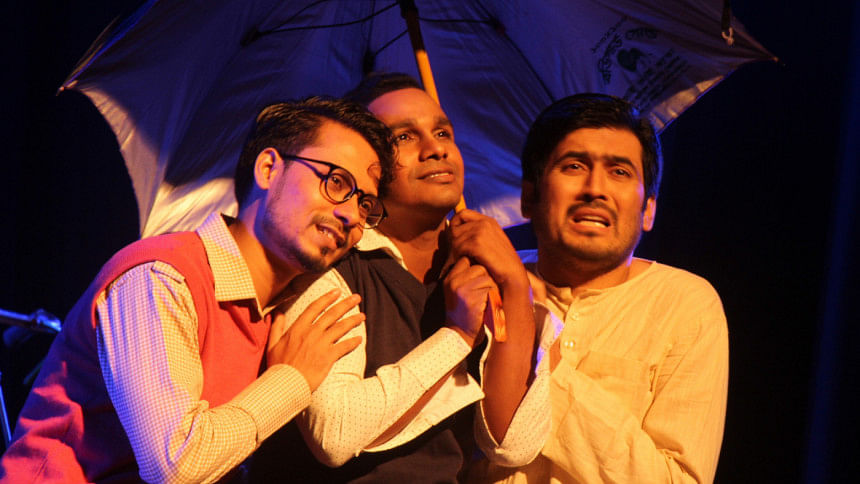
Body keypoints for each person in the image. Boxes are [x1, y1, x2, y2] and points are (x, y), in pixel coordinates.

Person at [0, 97, 395, 483]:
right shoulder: (160, 277)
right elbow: (176, 465)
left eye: (365, 204)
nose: (350, 215)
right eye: (336, 182)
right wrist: (291, 377)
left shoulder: (281, 308)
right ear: (269, 169)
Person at [250, 74, 552, 482]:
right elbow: (334, 434)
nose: (436, 149)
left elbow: (512, 446)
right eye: (404, 138)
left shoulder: (481, 269)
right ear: (366, 168)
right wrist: (456, 336)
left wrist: (514, 283)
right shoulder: (330, 263)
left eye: (442, 132)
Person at [475, 93, 729, 483]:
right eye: (574, 166)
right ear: (529, 196)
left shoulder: (686, 305)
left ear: (648, 210)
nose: (595, 188)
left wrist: (543, 352)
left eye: (620, 172)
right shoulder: (484, 283)